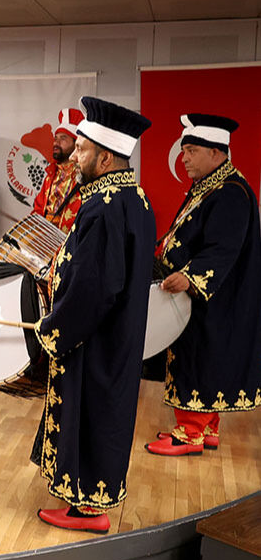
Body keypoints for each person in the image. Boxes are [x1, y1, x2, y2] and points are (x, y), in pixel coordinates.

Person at [33, 96, 154, 534]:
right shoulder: (133, 197)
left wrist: (54, 329)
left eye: (81, 149)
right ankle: (90, 499)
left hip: (95, 340)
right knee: (107, 414)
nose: (75, 156)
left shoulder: (105, 207)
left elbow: (96, 287)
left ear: (104, 157)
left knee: (92, 416)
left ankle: (89, 510)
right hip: (116, 338)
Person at [148, 114, 261, 457]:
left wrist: (192, 277)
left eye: (191, 151)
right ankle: (206, 428)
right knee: (202, 358)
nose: (183, 159)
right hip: (204, 297)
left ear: (216, 152)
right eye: (183, 151)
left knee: (200, 358)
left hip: (212, 297)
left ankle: (190, 433)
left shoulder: (230, 193)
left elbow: (221, 248)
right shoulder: (211, 186)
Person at [31, 107, 84, 232]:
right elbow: (38, 210)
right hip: (47, 242)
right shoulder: (51, 175)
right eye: (56, 138)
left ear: (76, 143)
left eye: (63, 138)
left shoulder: (85, 175)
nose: (56, 143)